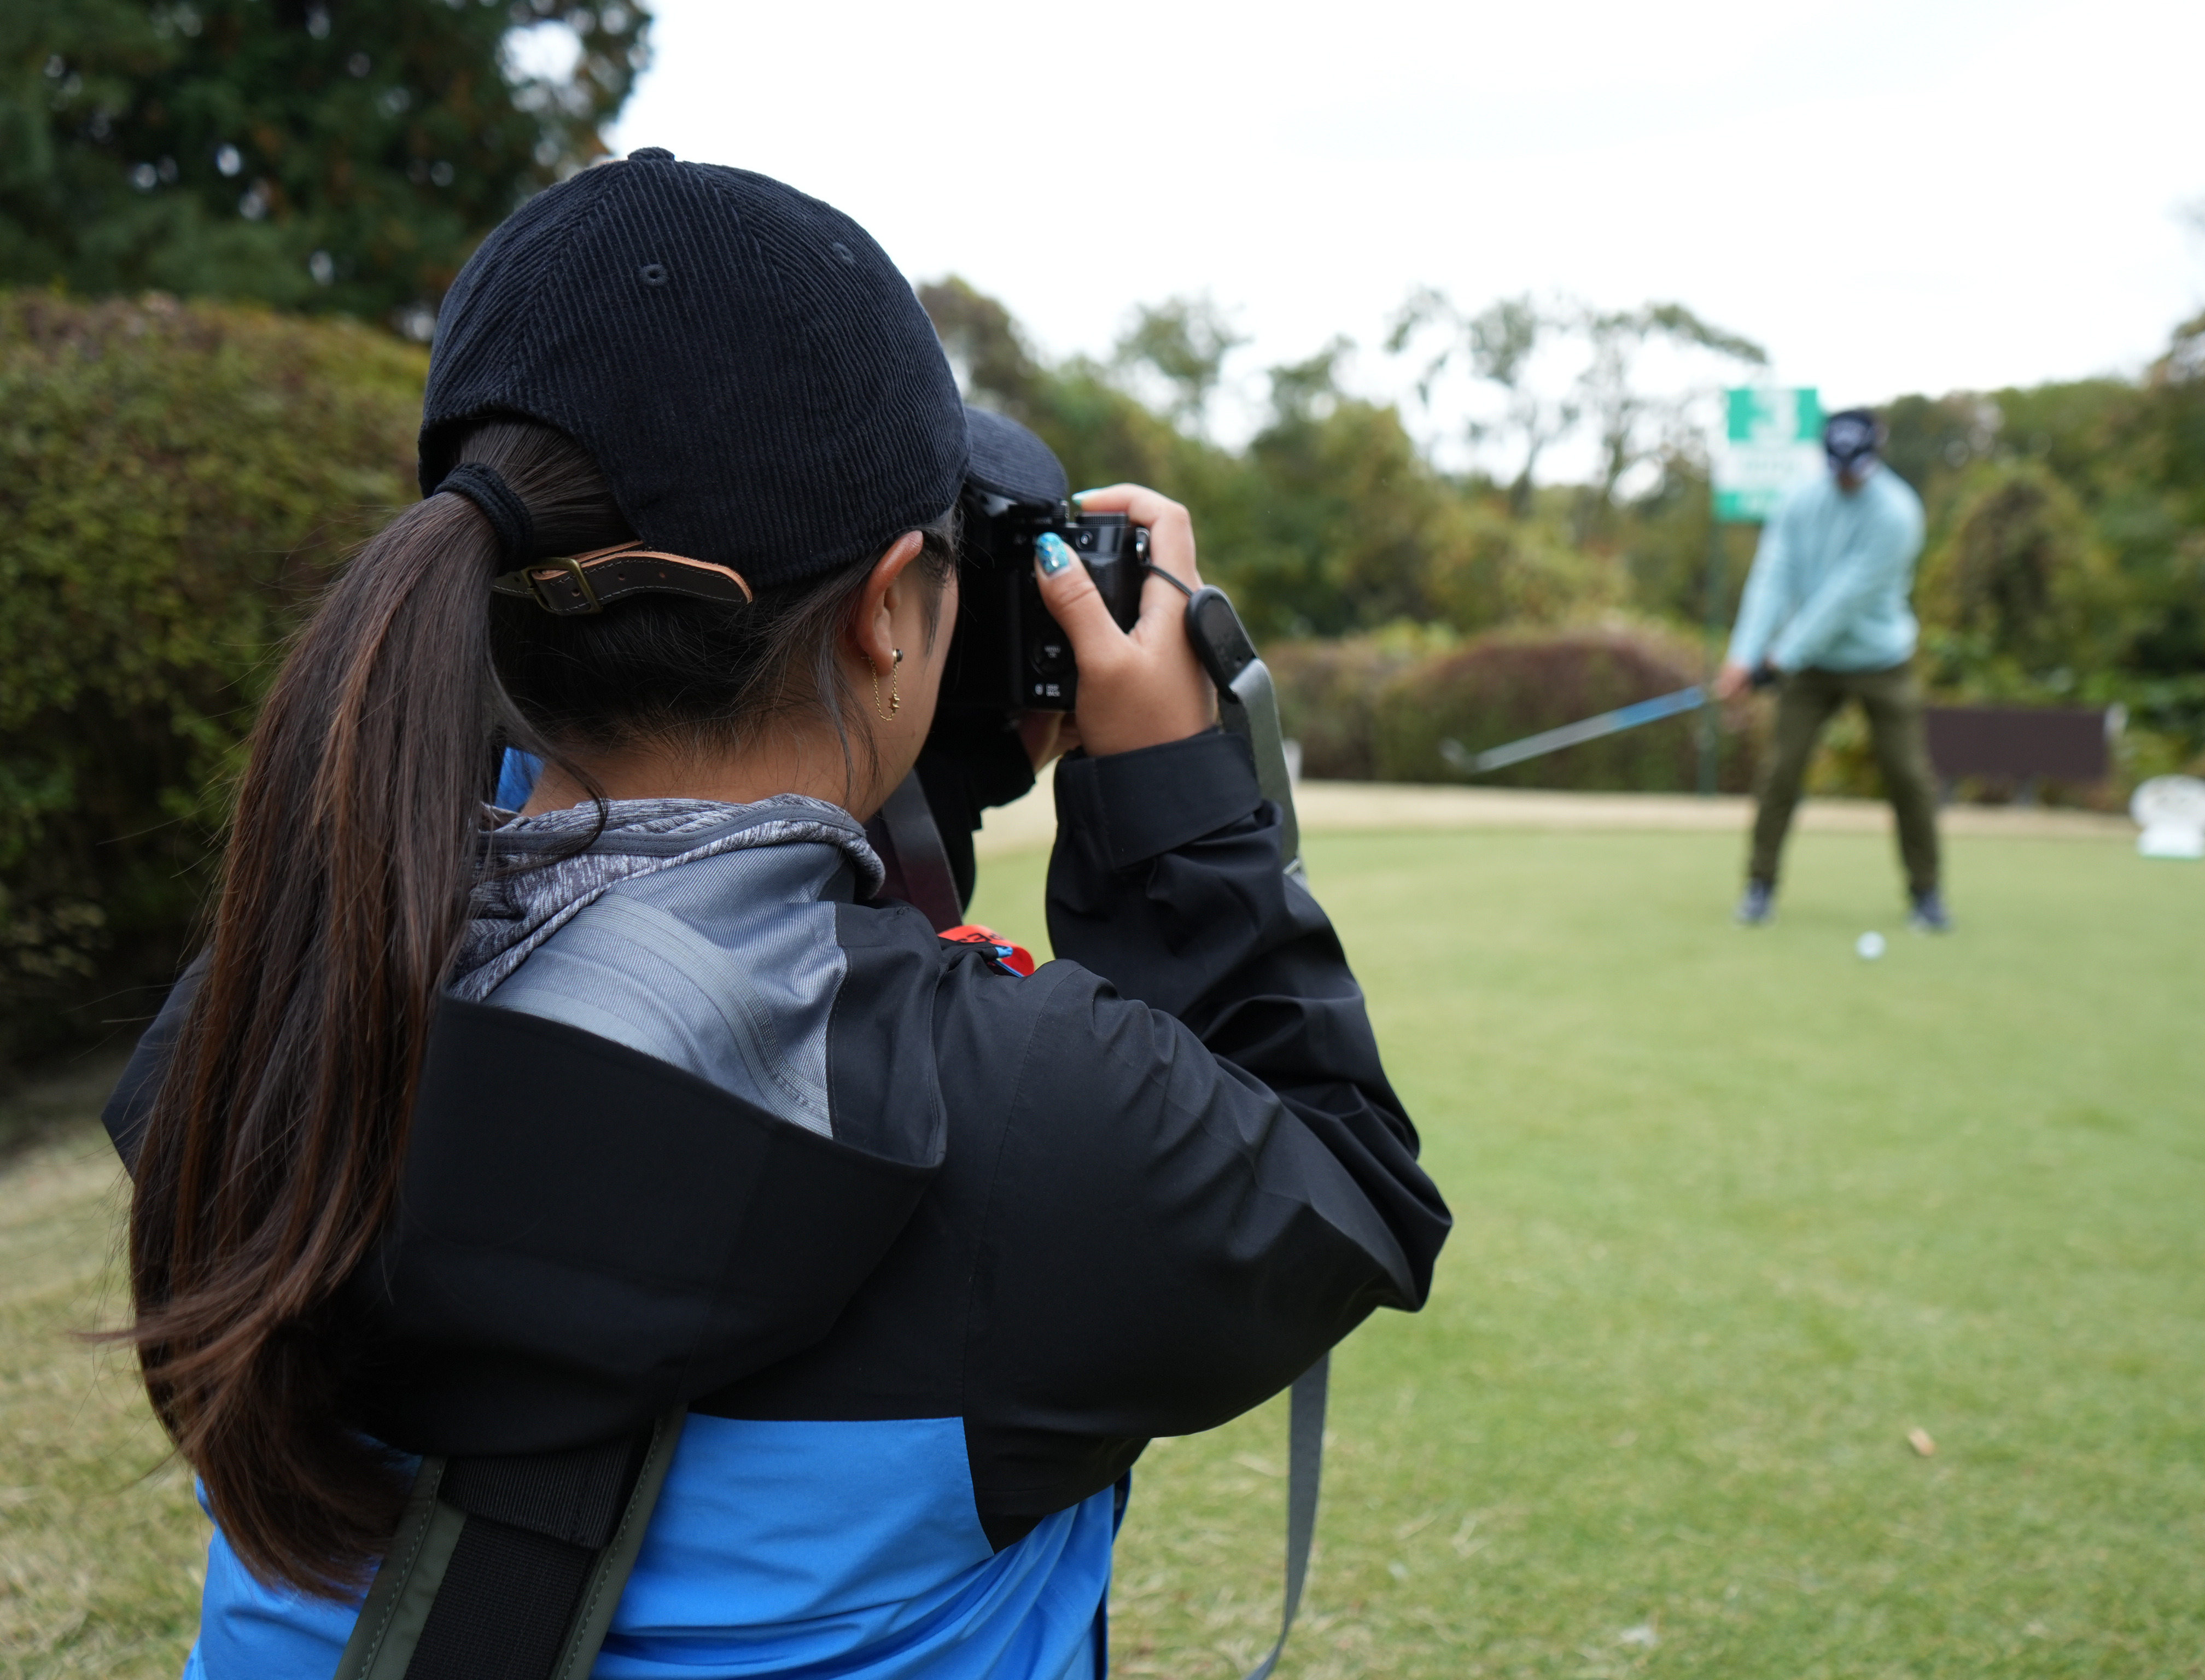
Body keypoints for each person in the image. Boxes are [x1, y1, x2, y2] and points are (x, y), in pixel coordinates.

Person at [103, 148, 1448, 1679]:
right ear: (887, 608)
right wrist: (1174, 798)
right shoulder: (1013, 1129)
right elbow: (1343, 1191)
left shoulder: (249, 1026)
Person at [1712, 409, 1948, 931]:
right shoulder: (1799, 498)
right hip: (1813, 666)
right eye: (1836, 465)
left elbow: (1843, 600)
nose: (1844, 477)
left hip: (1881, 660)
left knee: (1908, 776)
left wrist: (1778, 659)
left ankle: (1927, 896)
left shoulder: (1898, 513)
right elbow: (1773, 577)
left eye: (1855, 466)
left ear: (1876, 457)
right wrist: (1743, 656)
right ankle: (1759, 888)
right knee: (1780, 772)